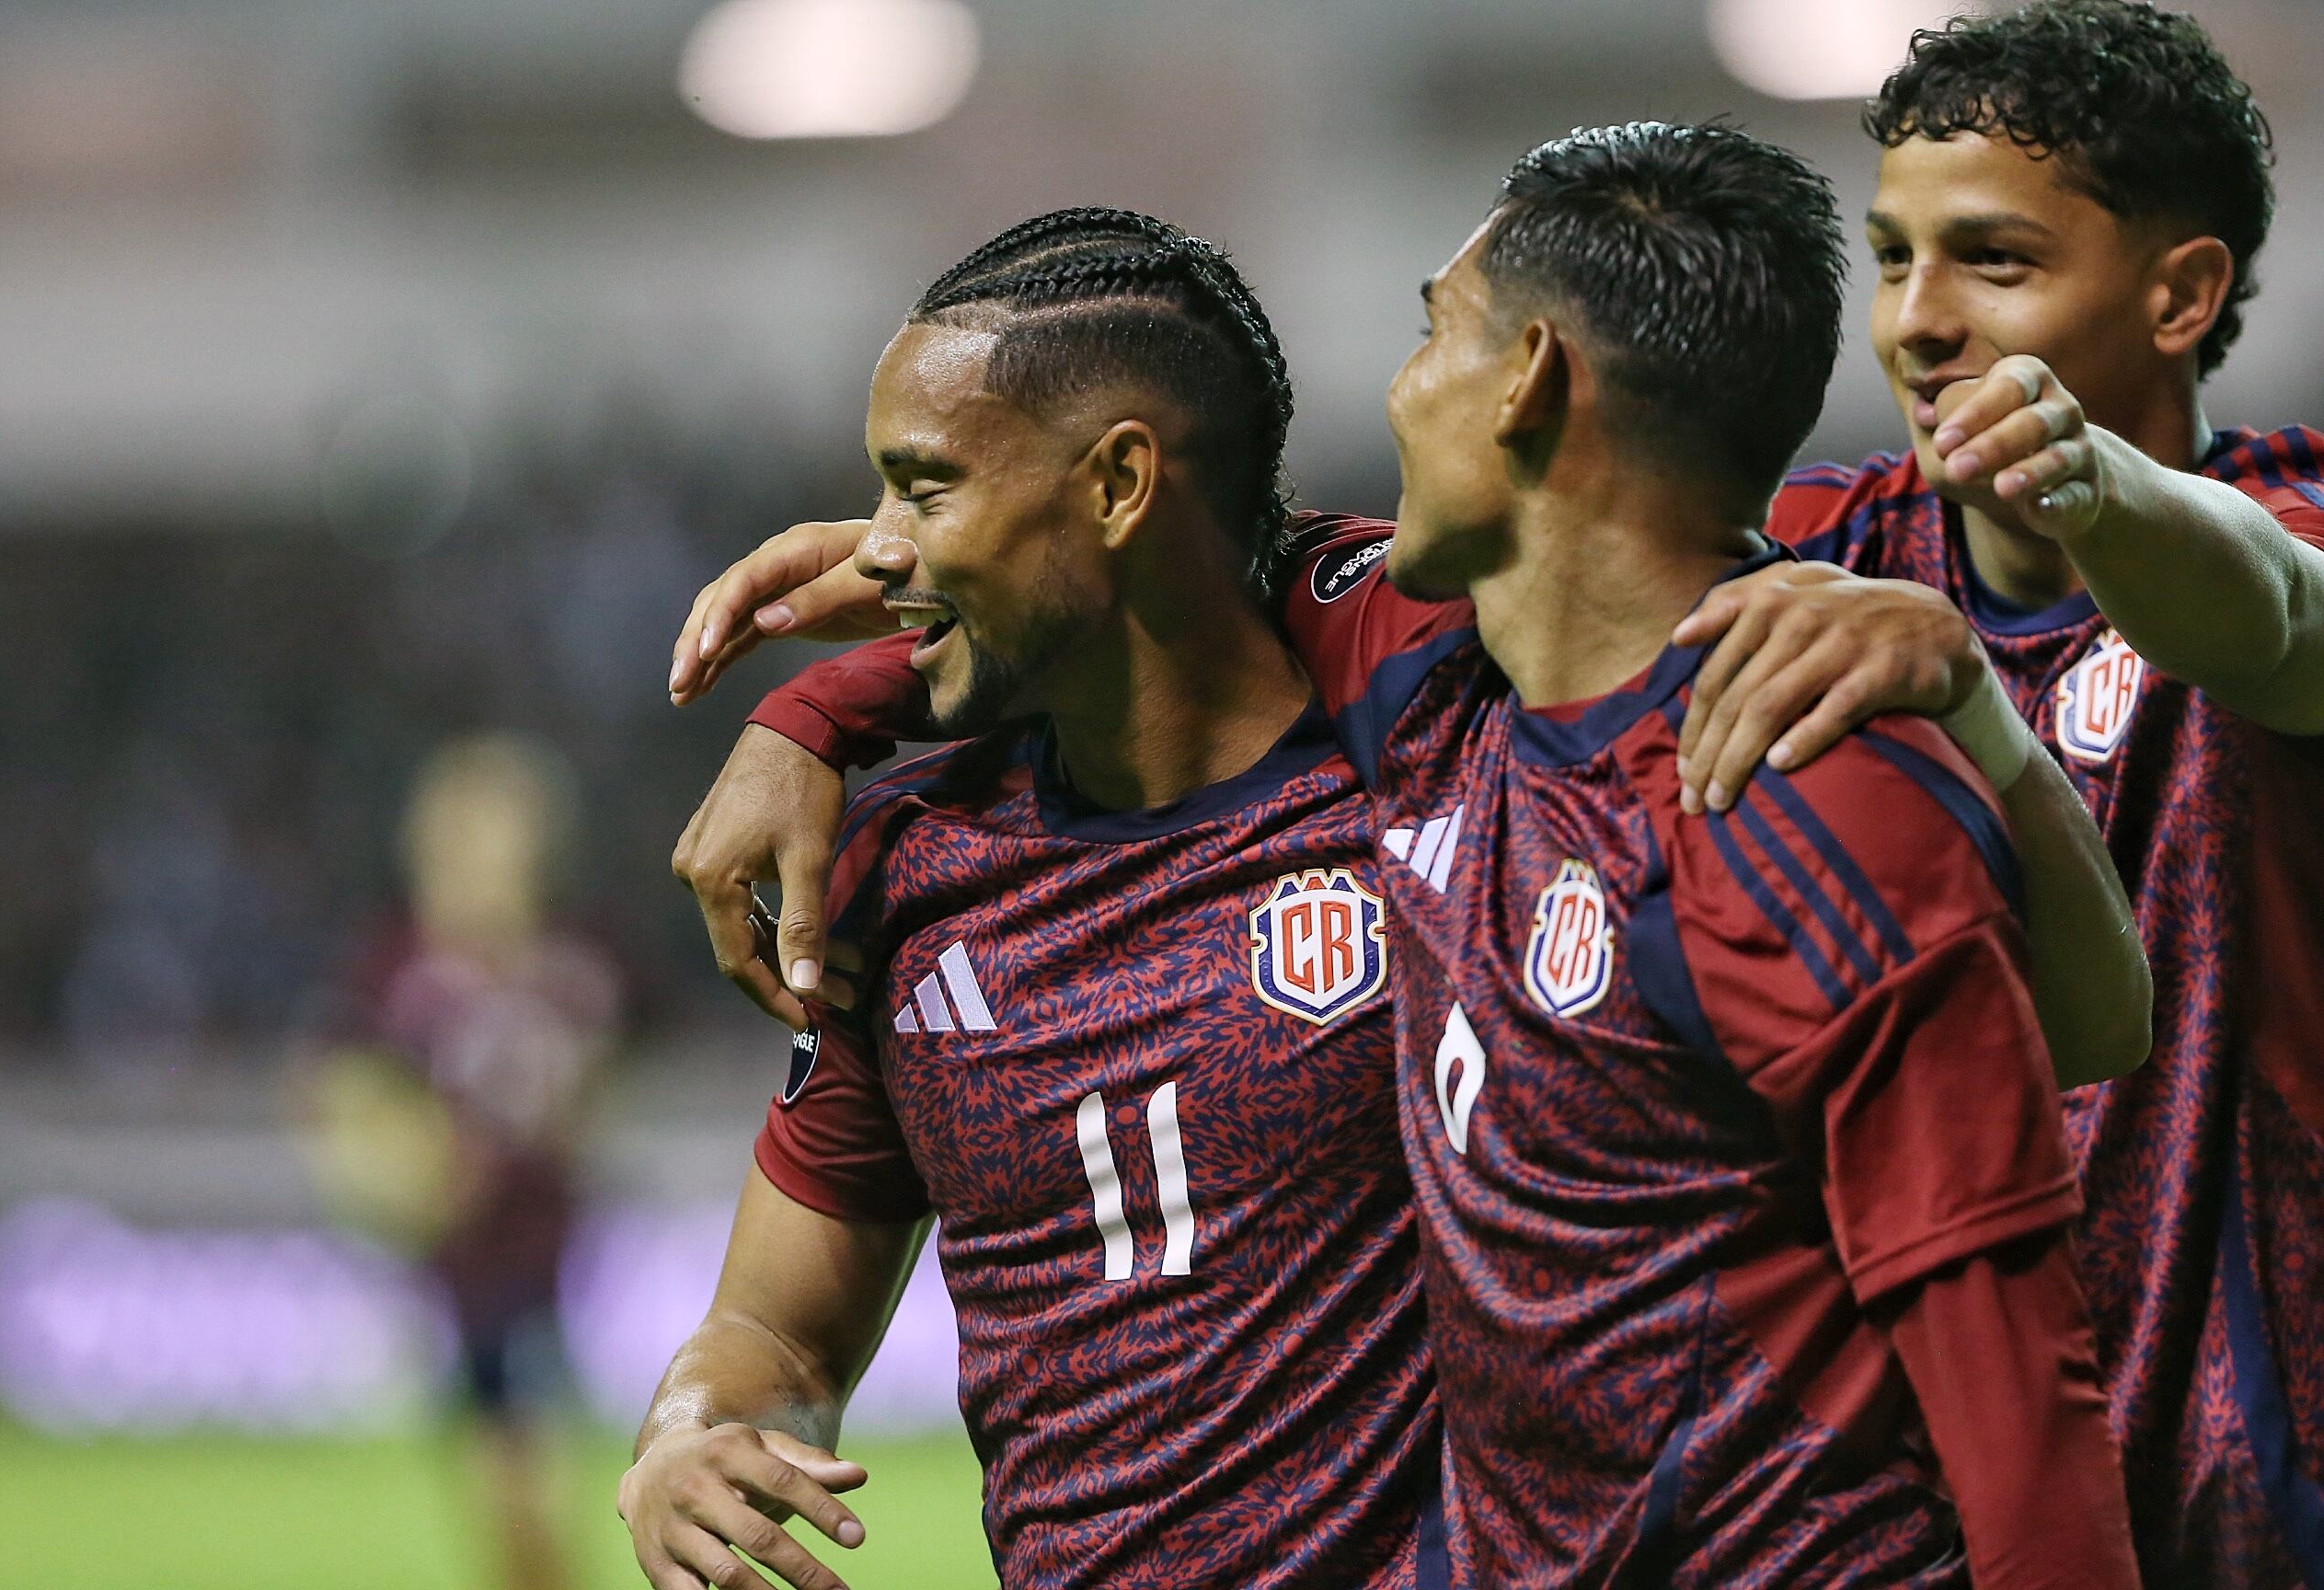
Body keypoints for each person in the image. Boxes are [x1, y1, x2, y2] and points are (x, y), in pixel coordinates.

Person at [665, 131, 2154, 1583]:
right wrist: (822, 704)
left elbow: (2034, 1349)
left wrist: (1964, 699)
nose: (1393, 389)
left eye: (1430, 333)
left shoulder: (1634, 754)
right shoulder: (955, 855)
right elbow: (1194, 569)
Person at [620, 211, 1445, 1590]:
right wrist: (690, 1436)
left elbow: (1551, 574)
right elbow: (776, 1338)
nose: (868, 552)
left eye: (921, 488)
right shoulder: (901, 875)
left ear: (1120, 484)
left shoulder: (1427, 776)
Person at [1656, 6, 2324, 1582]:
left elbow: (2277, 615)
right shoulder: (1809, 564)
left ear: (2179, 293)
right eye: (1892, 258)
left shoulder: (2284, 516)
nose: (1916, 321)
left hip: (2267, 1500)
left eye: (1993, 262)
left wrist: (2093, 480)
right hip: (1945, 1505)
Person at [306, 732, 621, 1590]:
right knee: (511, 1493)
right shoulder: (396, 966)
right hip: (454, 1265)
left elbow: (599, 1085)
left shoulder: (574, 961)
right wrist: (409, 1168)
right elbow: (343, 1098)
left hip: (544, 1256)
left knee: (525, 1491)